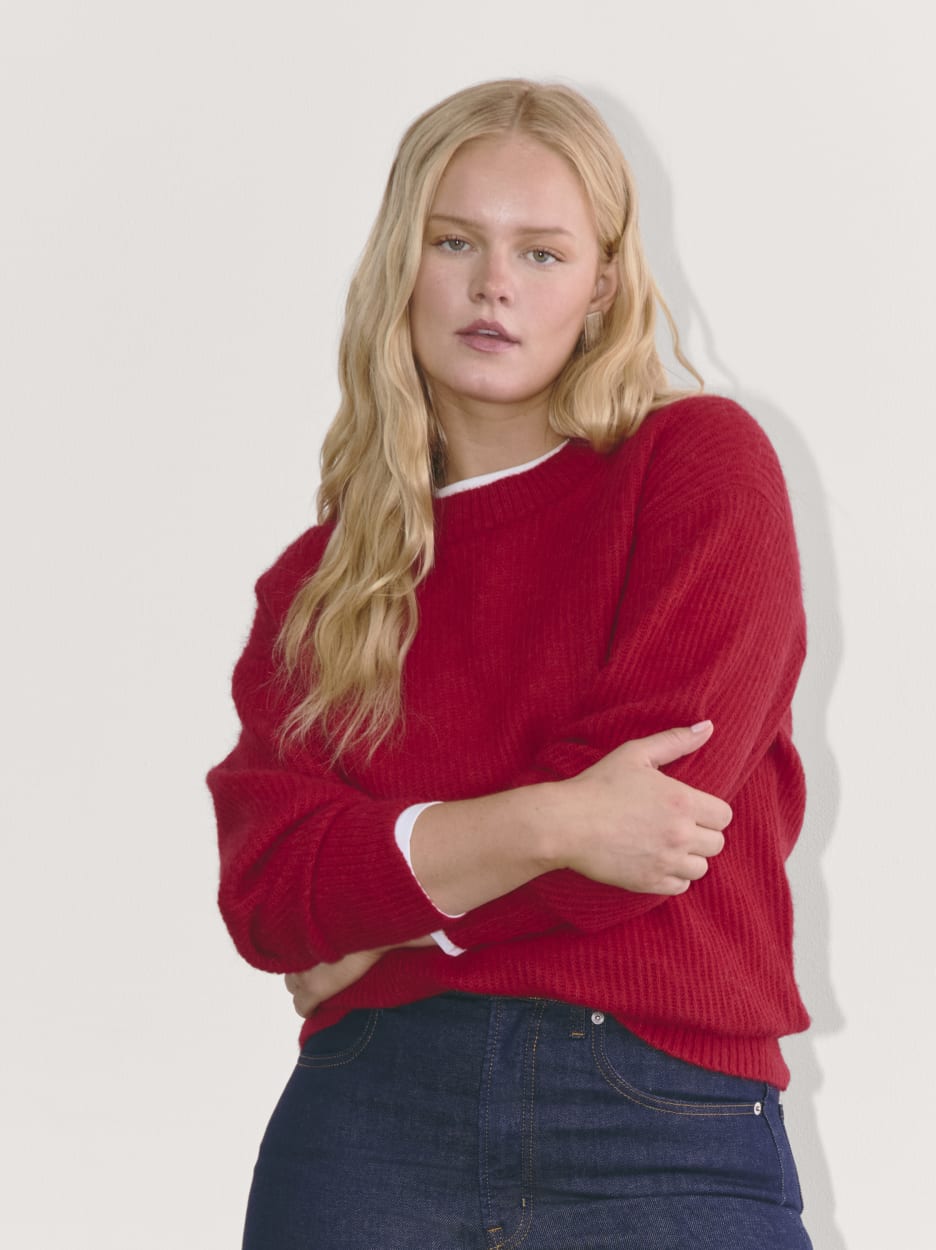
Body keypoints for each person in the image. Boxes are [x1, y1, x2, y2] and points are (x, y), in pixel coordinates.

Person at [207, 78, 814, 1249]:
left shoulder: (696, 465)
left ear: (602, 286)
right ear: (403, 264)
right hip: (370, 1121)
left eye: (541, 252)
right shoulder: (319, 580)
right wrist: (550, 819)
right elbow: (271, 893)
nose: (494, 283)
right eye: (455, 242)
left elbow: (650, 835)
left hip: (664, 1113)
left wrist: (382, 922)